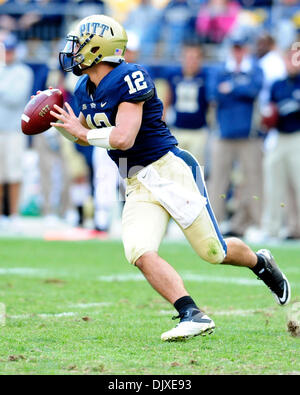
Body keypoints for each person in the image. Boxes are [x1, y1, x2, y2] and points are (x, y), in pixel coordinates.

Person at [47, 15, 290, 341]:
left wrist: (82, 133)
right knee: (139, 250)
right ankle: (192, 313)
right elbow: (88, 134)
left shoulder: (129, 77)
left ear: (98, 48)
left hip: (168, 171)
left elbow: (123, 138)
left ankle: (261, 263)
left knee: (213, 252)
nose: (72, 51)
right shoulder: (82, 88)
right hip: (134, 179)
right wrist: (69, 130)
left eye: (78, 45)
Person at [208, 36, 264, 238]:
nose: (238, 52)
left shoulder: (254, 69)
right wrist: (239, 88)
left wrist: (231, 88)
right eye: (235, 48)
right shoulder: (221, 69)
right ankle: (215, 222)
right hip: (223, 134)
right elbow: (213, 93)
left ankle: (253, 223)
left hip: (249, 135)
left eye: (241, 48)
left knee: (253, 181)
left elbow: (253, 90)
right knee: (219, 181)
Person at [262, 49, 300, 239]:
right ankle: (272, 228)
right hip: (280, 137)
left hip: (297, 137)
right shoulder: (277, 84)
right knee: (273, 184)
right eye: (289, 59)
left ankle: (296, 227)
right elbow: (269, 110)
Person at [0, 32, 33, 227]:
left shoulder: (24, 72)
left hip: (13, 130)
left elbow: (16, 98)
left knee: (14, 174)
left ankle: (14, 215)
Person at [163, 42, 210, 166]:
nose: (191, 61)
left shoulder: (205, 77)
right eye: (188, 57)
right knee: (175, 168)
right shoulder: (174, 75)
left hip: (198, 131)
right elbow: (167, 99)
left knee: (196, 169)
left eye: (195, 58)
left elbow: (211, 103)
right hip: (177, 129)